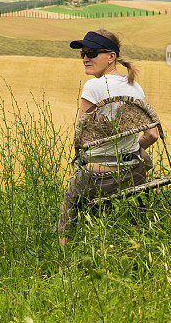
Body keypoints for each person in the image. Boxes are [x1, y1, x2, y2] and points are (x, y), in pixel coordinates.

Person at [56, 29, 158, 240]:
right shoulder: (134, 86)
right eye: (83, 53)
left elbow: (81, 138)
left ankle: (62, 250)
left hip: (98, 179)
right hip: (134, 174)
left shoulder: (93, 86)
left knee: (69, 206)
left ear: (111, 57)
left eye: (91, 53)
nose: (85, 58)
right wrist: (129, 150)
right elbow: (153, 135)